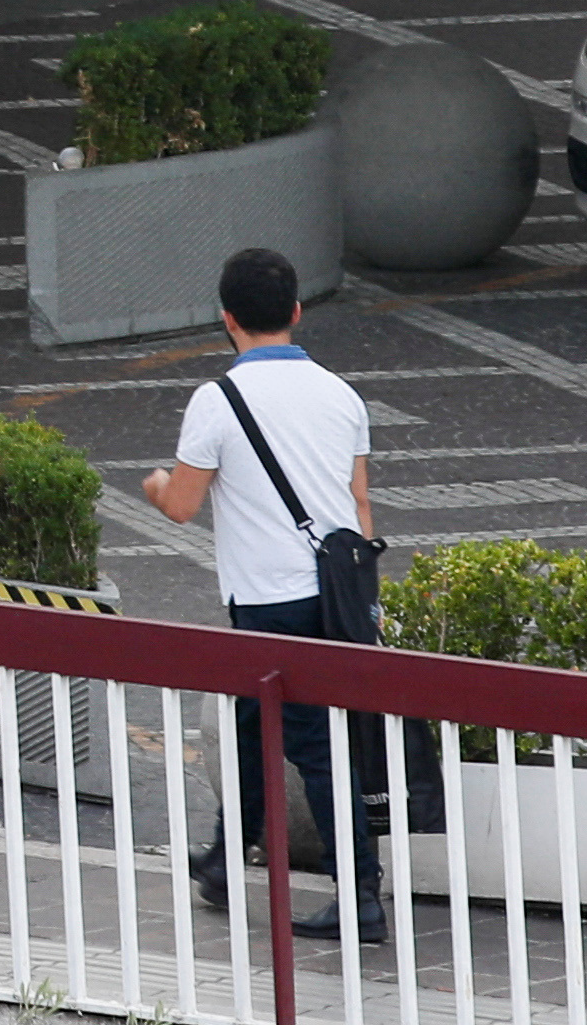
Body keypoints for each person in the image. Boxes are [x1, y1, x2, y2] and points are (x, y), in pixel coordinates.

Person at [139, 247, 392, 947]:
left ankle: (360, 892)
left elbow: (183, 506)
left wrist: (155, 483)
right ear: (297, 313)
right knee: (256, 724)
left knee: (313, 746)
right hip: (340, 596)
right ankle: (226, 860)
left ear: (226, 320)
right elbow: (360, 506)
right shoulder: (343, 396)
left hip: (266, 600)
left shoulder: (216, 401)